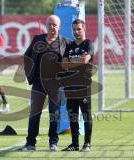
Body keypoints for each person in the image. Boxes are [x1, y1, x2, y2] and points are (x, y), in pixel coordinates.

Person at [20, 15, 70, 151]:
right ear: (46, 25)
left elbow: (70, 63)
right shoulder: (38, 39)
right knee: (34, 113)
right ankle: (30, 143)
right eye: (49, 24)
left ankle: (53, 143)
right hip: (38, 83)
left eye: (54, 25)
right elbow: (27, 57)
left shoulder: (65, 42)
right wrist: (30, 76)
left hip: (56, 84)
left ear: (59, 26)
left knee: (55, 114)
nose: (52, 27)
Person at [61, 19, 94, 152]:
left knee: (86, 115)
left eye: (79, 29)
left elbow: (86, 60)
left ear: (84, 29)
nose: (76, 31)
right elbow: (63, 64)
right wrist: (77, 60)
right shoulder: (69, 45)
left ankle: (87, 144)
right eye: (74, 29)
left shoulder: (88, 44)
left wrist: (72, 60)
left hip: (84, 85)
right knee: (72, 116)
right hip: (70, 85)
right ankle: (74, 144)